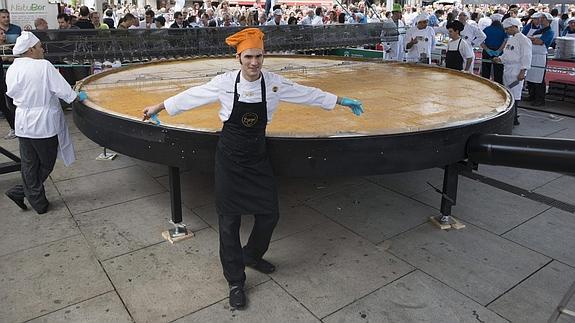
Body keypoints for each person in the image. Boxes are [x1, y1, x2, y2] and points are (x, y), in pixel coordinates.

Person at [141, 28, 364, 310]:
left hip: (257, 158)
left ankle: (252, 254)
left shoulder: (273, 83)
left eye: (259, 56)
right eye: (248, 56)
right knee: (229, 222)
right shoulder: (224, 83)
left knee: (270, 213)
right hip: (230, 160)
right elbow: (192, 96)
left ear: (264, 56)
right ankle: (235, 280)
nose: (254, 62)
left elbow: (307, 94)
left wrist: (341, 101)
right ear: (239, 57)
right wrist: (159, 106)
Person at [5, 32, 85, 214]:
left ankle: (35, 200)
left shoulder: (13, 68)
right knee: (47, 162)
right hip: (43, 124)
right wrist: (78, 96)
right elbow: (65, 92)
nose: (43, 49)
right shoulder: (43, 66)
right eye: (40, 46)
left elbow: (11, 95)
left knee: (29, 163)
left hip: (23, 122)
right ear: (31, 49)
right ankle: (27, 195)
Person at [493, 18, 531, 126]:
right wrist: (500, 58)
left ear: (514, 27)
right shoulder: (510, 39)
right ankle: (510, 115)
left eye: (507, 29)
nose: (506, 31)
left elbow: (526, 56)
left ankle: (514, 118)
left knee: (515, 94)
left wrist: (523, 71)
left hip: (517, 71)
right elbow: (507, 54)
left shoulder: (524, 40)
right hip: (507, 69)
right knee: (508, 92)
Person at [524, 12, 554, 106]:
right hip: (531, 55)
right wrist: (532, 40)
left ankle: (540, 99)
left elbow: (540, 41)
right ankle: (531, 95)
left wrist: (531, 40)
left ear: (548, 21)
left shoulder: (550, 32)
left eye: (543, 18)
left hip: (540, 57)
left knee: (539, 79)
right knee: (530, 77)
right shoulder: (539, 31)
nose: (541, 20)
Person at [480, 13, 507, 84]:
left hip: (487, 51)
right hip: (499, 52)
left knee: (485, 73)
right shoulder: (504, 30)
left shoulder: (486, 29)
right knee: (498, 73)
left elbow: (480, 40)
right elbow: (505, 41)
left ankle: (484, 86)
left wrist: (487, 50)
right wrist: (499, 50)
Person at [0, 28, 15, 139]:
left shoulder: (8, 47)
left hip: (5, 81)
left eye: (3, 33)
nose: (3, 35)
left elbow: (13, 58)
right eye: (1, 33)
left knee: (7, 105)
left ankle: (14, 128)